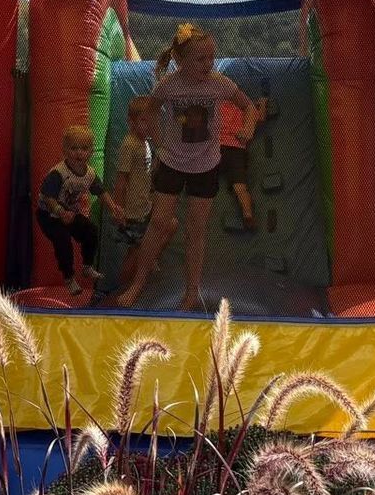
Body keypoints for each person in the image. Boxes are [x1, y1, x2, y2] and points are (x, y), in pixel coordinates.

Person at [113, 24, 253, 313]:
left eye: (211, 57)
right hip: (173, 163)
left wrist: (248, 126)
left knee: (195, 230)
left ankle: (191, 293)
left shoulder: (219, 83)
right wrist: (158, 141)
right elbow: (151, 110)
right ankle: (138, 284)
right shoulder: (169, 86)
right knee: (159, 223)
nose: (208, 64)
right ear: (181, 61)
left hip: (206, 165)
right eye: (200, 59)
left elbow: (248, 106)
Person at [36, 125, 103, 297]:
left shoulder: (89, 174)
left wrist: (114, 207)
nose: (79, 153)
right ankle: (69, 278)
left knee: (91, 231)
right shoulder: (59, 173)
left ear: (91, 152)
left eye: (84, 149)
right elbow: (48, 198)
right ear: (65, 150)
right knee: (63, 239)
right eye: (74, 148)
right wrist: (60, 211)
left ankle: (87, 267)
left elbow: (101, 192)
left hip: (69, 214)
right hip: (49, 215)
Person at [106, 96, 158, 281]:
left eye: (152, 120)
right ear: (131, 122)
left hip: (143, 206)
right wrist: (118, 208)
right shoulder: (129, 144)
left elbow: (145, 174)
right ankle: (124, 285)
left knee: (144, 244)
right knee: (135, 250)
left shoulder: (145, 143)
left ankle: (143, 269)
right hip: (132, 211)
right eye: (144, 120)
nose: (149, 125)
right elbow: (121, 179)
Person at [217, 94, 268, 231]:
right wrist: (262, 102)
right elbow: (261, 118)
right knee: (240, 188)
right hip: (236, 151)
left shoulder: (218, 106)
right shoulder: (246, 110)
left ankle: (248, 215)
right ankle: (248, 215)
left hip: (219, 148)